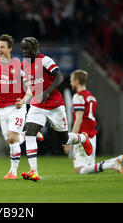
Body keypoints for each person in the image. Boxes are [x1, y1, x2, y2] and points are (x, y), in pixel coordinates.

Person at [16, 37, 93, 181]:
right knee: (30, 132)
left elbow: (59, 77)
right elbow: (26, 83)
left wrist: (47, 91)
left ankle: (83, 138)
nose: (25, 52)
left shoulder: (45, 60)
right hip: (37, 105)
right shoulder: (23, 66)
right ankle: (34, 171)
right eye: (23, 49)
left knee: (64, 138)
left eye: (28, 48)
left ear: (35, 48)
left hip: (55, 104)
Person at [0, 34, 43, 179]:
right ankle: (29, 134)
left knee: (12, 138)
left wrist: (23, 100)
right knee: (10, 142)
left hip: (16, 108)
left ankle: (13, 172)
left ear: (10, 49)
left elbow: (31, 87)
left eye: (2, 47)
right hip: (1, 109)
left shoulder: (19, 65)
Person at [64, 69, 123, 174]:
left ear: (77, 81)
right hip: (92, 135)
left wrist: (70, 141)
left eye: (71, 80)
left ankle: (112, 164)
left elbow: (79, 120)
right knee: (90, 168)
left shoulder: (78, 96)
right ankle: (116, 160)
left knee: (80, 170)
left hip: (82, 136)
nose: (70, 82)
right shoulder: (91, 97)